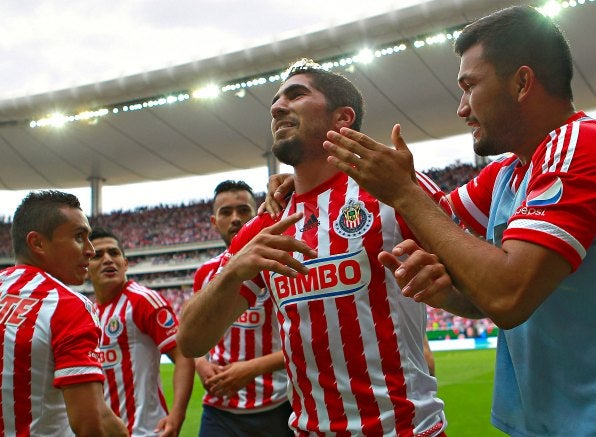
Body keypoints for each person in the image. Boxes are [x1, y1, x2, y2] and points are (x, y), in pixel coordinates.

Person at [318, 5, 596, 436]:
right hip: (543, 425)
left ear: (522, 82)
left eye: (469, 85)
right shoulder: (509, 173)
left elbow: (510, 294)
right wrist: (311, 190)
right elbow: (433, 227)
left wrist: (403, 190)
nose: (461, 108)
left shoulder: (586, 147)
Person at [178, 58, 450, 436]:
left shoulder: (393, 188)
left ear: (342, 118)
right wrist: (236, 270)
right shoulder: (268, 222)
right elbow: (191, 340)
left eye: (296, 94)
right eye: (275, 101)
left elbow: (478, 283)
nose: (276, 108)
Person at [0, 190, 128, 437]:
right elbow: (91, 424)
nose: (90, 250)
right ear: (38, 243)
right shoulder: (67, 306)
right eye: (79, 237)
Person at [191, 180, 293, 437]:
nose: (235, 218)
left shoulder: (279, 266)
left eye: (243, 210)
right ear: (215, 222)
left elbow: (305, 340)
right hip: (219, 411)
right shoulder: (205, 273)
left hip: (277, 406)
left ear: (257, 214)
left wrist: (252, 368)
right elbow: (193, 332)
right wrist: (201, 364)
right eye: (226, 212)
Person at [86, 228, 194, 437]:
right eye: (98, 255)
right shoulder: (89, 312)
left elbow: (183, 355)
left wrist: (177, 415)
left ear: (125, 263)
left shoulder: (143, 301)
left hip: (145, 431)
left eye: (114, 253)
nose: (108, 259)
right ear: (86, 267)